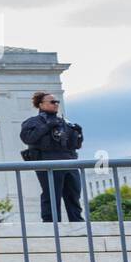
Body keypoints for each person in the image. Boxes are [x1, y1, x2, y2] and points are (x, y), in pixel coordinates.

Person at [20, 91, 84, 222]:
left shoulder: (64, 122)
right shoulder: (33, 122)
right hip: (47, 162)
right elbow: (28, 138)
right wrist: (46, 127)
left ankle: (77, 223)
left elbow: (75, 146)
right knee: (51, 195)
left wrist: (78, 134)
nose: (56, 104)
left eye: (57, 102)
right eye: (52, 102)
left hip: (68, 162)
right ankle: (51, 225)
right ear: (41, 104)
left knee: (74, 194)